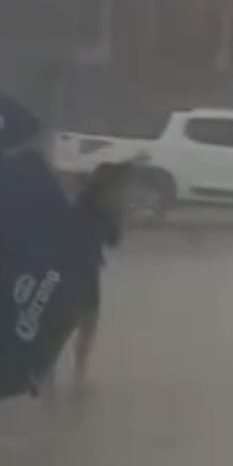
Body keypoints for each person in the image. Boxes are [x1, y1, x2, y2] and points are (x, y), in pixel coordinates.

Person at [62, 161, 133, 388]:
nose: (124, 194)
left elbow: (112, 241)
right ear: (106, 189)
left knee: (86, 324)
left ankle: (77, 374)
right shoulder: (87, 209)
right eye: (120, 189)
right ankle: (61, 376)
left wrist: (120, 216)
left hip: (84, 271)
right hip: (72, 272)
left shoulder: (100, 209)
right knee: (75, 322)